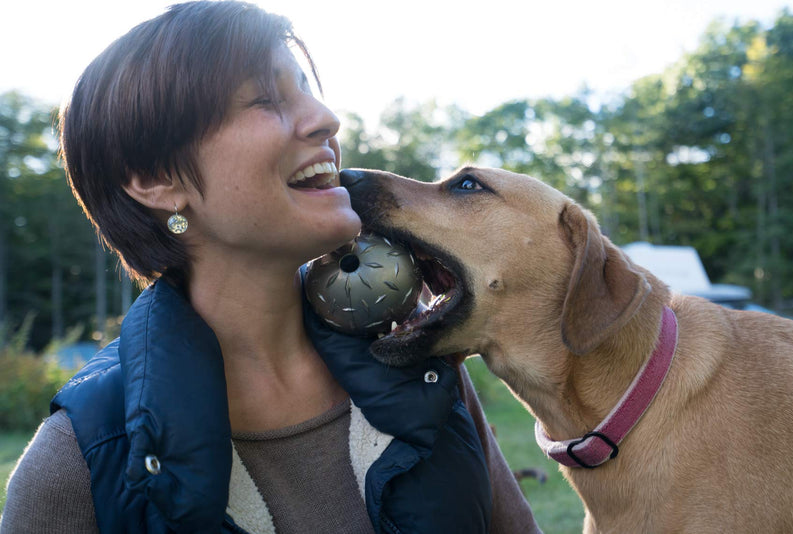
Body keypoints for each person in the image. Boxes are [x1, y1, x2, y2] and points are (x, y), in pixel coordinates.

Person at [0, 2, 541, 533]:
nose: (326, 119)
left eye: (306, 88)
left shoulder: (416, 361)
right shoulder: (79, 463)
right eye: (264, 98)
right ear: (154, 179)